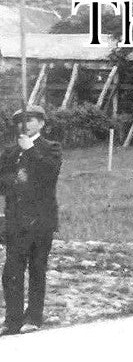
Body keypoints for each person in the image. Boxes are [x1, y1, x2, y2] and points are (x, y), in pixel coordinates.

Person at [1, 106, 62, 335]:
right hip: (16, 221)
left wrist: (31, 150)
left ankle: (34, 317)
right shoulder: (9, 152)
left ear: (41, 124)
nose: (23, 125)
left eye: (29, 120)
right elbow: (1, 180)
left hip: (41, 220)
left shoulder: (51, 148)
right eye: (19, 122)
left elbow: (50, 173)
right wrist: (15, 179)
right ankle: (12, 319)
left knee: (37, 269)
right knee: (11, 272)